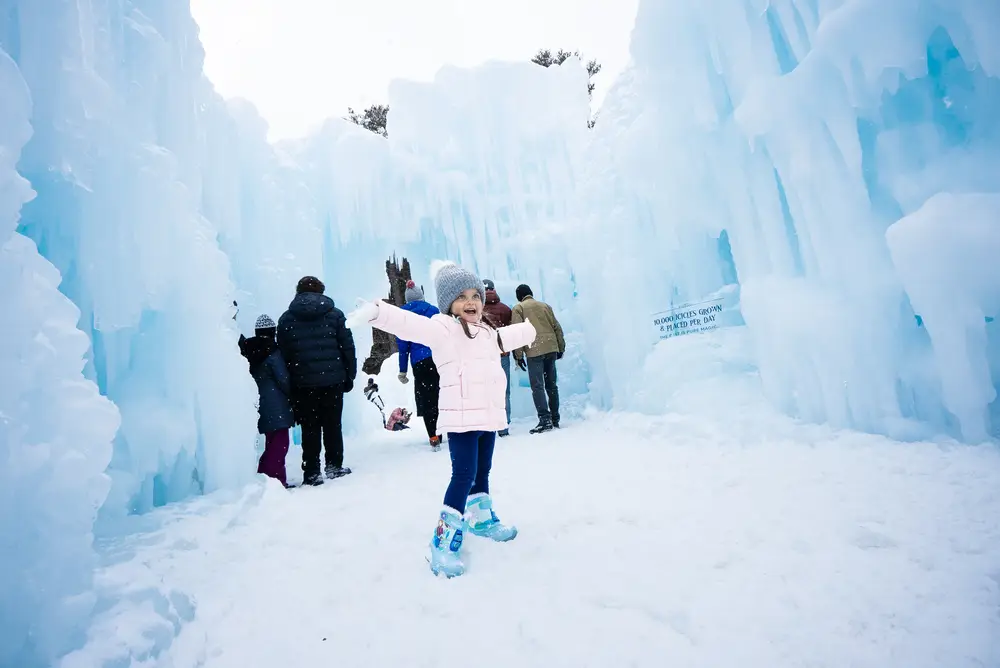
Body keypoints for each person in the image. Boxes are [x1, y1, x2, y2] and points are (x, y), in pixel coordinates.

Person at [350, 263, 536, 578]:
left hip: (487, 417)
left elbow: (506, 338)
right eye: (461, 296)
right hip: (461, 421)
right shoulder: (444, 329)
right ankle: (443, 539)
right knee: (463, 474)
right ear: (448, 303)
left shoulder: (488, 332)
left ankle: (480, 518)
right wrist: (377, 313)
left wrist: (529, 330)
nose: (471, 301)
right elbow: (409, 324)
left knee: (482, 471)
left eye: (475, 294)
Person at [277, 276, 357, 486]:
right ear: (321, 291)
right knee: (332, 424)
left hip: (303, 383)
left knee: (310, 427)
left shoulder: (286, 319)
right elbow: (347, 347)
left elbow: (284, 354)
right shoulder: (335, 315)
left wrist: (289, 384)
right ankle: (333, 465)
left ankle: (312, 472)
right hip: (333, 379)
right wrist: (350, 375)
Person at [240, 315, 295, 487]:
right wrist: (294, 395)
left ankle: (278, 480)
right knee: (280, 443)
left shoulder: (248, 350)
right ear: (273, 332)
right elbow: (283, 379)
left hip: (258, 403)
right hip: (276, 403)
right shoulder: (273, 352)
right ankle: (268, 478)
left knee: (273, 442)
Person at [511, 284, 565, 434]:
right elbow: (557, 328)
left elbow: (518, 332)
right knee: (552, 385)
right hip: (550, 348)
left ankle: (544, 419)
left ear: (518, 296)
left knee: (537, 386)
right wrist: (560, 347)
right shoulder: (545, 306)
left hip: (534, 350)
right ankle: (555, 418)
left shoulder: (519, 308)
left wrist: (518, 355)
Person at [396, 280, 443, 449]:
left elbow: (403, 347)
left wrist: (403, 370)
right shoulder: (433, 310)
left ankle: (432, 435)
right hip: (437, 358)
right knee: (441, 395)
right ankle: (442, 429)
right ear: (422, 296)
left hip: (419, 362)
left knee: (427, 397)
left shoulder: (402, 315)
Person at [482, 279, 513, 436]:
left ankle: (488, 425)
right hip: (503, 354)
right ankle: (504, 425)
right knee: (504, 390)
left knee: (486, 391)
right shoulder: (505, 309)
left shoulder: (477, 310)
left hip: (485, 357)